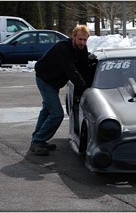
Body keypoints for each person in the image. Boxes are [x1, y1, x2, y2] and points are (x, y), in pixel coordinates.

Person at [30, 25, 91, 156]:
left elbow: (84, 69)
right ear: (73, 37)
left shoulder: (82, 49)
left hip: (55, 82)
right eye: (80, 39)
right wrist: (85, 88)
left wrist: (90, 83)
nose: (82, 43)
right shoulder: (63, 48)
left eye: (85, 40)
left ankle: (37, 140)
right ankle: (38, 140)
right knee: (57, 114)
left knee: (47, 110)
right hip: (45, 79)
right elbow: (71, 71)